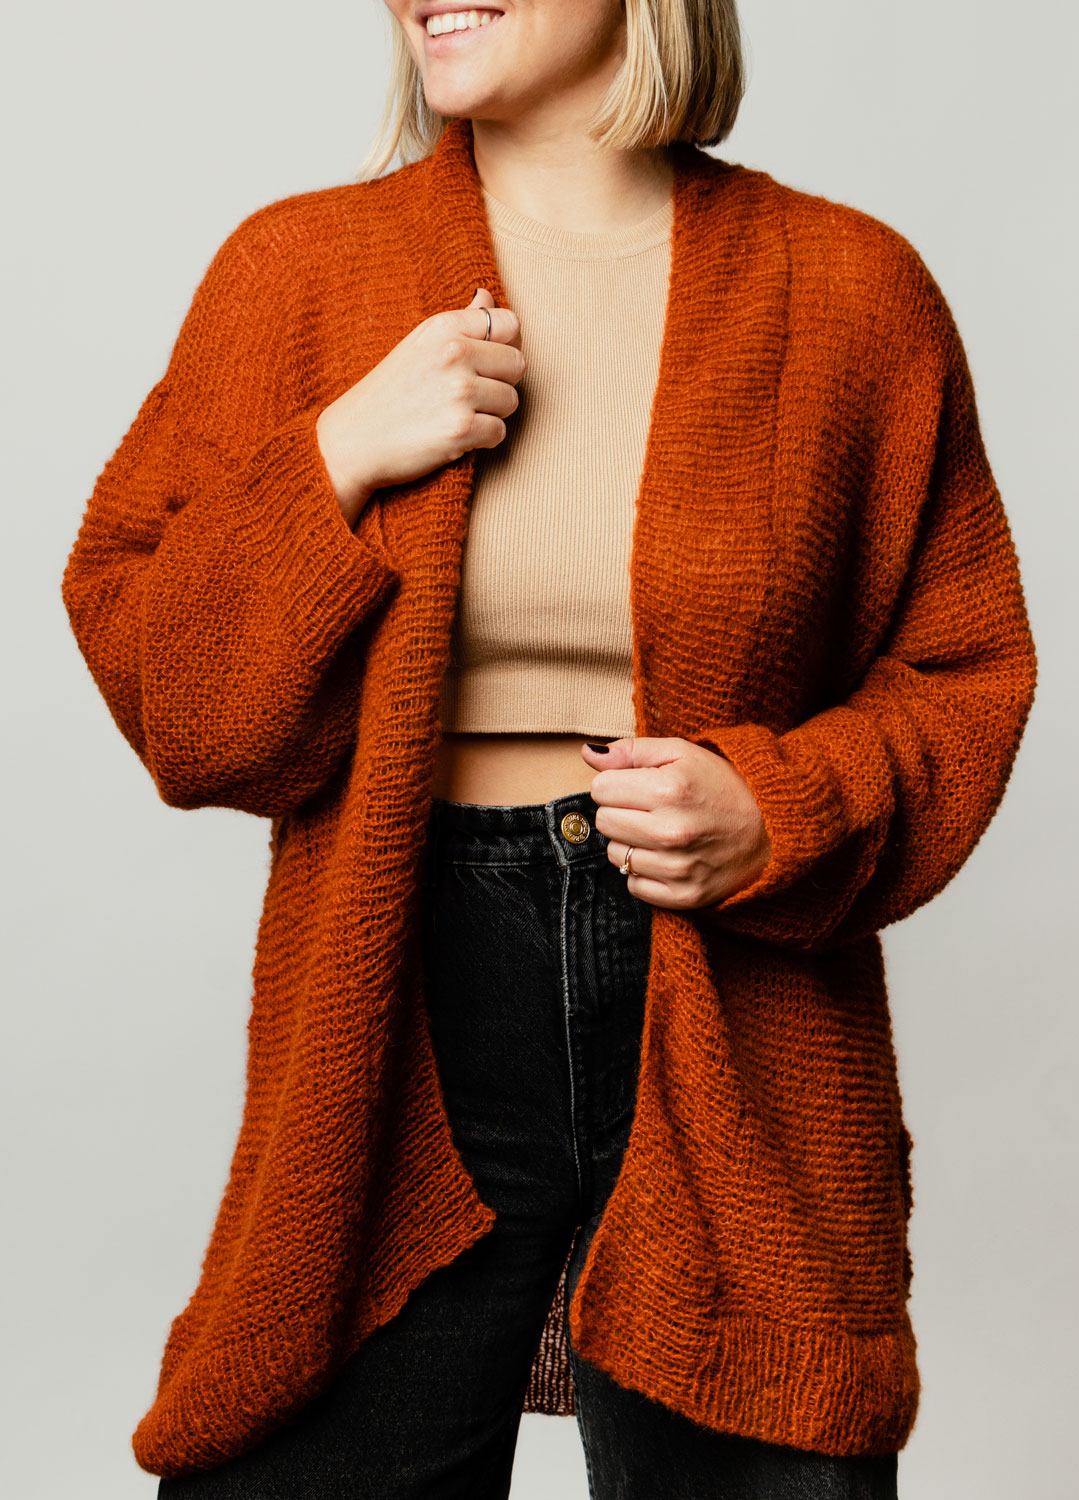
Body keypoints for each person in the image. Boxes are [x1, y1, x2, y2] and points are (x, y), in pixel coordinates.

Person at [61, 1, 1037, 1496]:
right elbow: (172, 693)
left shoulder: (852, 289)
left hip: (736, 1011)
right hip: (399, 989)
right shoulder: (299, 271)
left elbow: (964, 669)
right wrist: (336, 457)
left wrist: (777, 811)